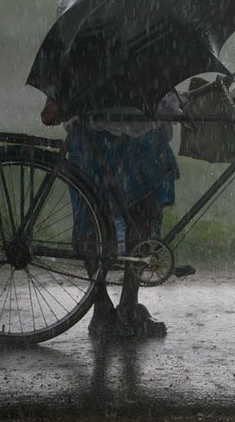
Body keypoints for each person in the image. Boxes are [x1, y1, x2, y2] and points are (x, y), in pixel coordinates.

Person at [41, 89, 183, 340]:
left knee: (94, 215)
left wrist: (57, 98)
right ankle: (124, 305)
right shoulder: (140, 51)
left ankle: (105, 306)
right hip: (133, 130)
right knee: (140, 212)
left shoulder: (83, 51)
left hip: (98, 128)